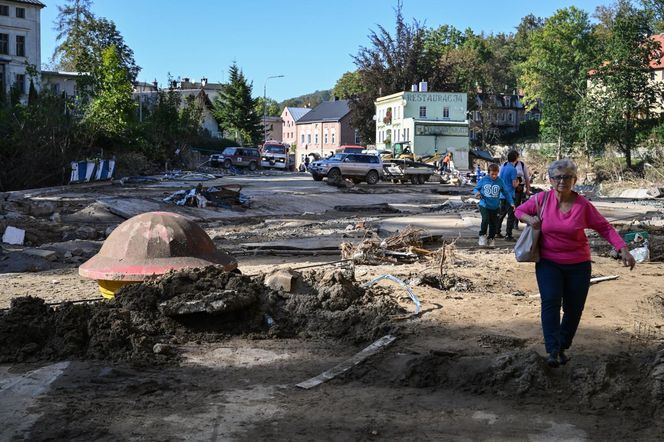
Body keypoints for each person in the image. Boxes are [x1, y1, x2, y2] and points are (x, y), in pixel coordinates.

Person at [515, 159, 636, 368]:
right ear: (550, 180)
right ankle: (552, 349)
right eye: (558, 177)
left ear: (575, 180)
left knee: (574, 308)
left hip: (578, 264)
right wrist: (529, 218)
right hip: (548, 262)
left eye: (567, 177)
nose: (563, 181)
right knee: (551, 301)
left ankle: (562, 346)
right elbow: (518, 211)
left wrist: (622, 249)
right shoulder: (541, 200)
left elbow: (604, 227)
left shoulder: (583, 205)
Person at [473, 163, 514, 247]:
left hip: (495, 206)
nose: (494, 176)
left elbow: (506, 193)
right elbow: (476, 188)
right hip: (484, 204)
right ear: (488, 173)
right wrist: (477, 193)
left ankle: (491, 238)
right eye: (492, 174)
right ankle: (482, 236)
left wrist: (511, 202)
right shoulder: (484, 179)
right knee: (485, 219)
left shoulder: (500, 181)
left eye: (496, 174)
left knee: (493, 223)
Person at [496, 151, 520, 241]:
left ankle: (497, 232)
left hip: (502, 195)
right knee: (511, 216)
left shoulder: (503, 167)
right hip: (510, 195)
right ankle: (508, 235)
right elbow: (514, 184)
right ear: (516, 158)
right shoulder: (513, 169)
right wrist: (518, 182)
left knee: (501, 214)